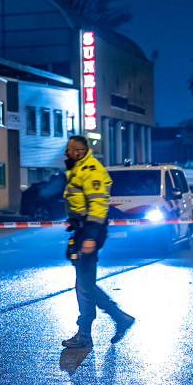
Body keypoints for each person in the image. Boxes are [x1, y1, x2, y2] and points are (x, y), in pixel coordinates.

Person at [61, 135, 135, 348]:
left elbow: (97, 206)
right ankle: (109, 322)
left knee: (84, 285)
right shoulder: (78, 169)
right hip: (83, 231)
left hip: (90, 232)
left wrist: (91, 237)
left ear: (79, 152)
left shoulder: (91, 171)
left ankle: (109, 322)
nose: (65, 153)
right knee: (84, 284)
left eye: (69, 149)